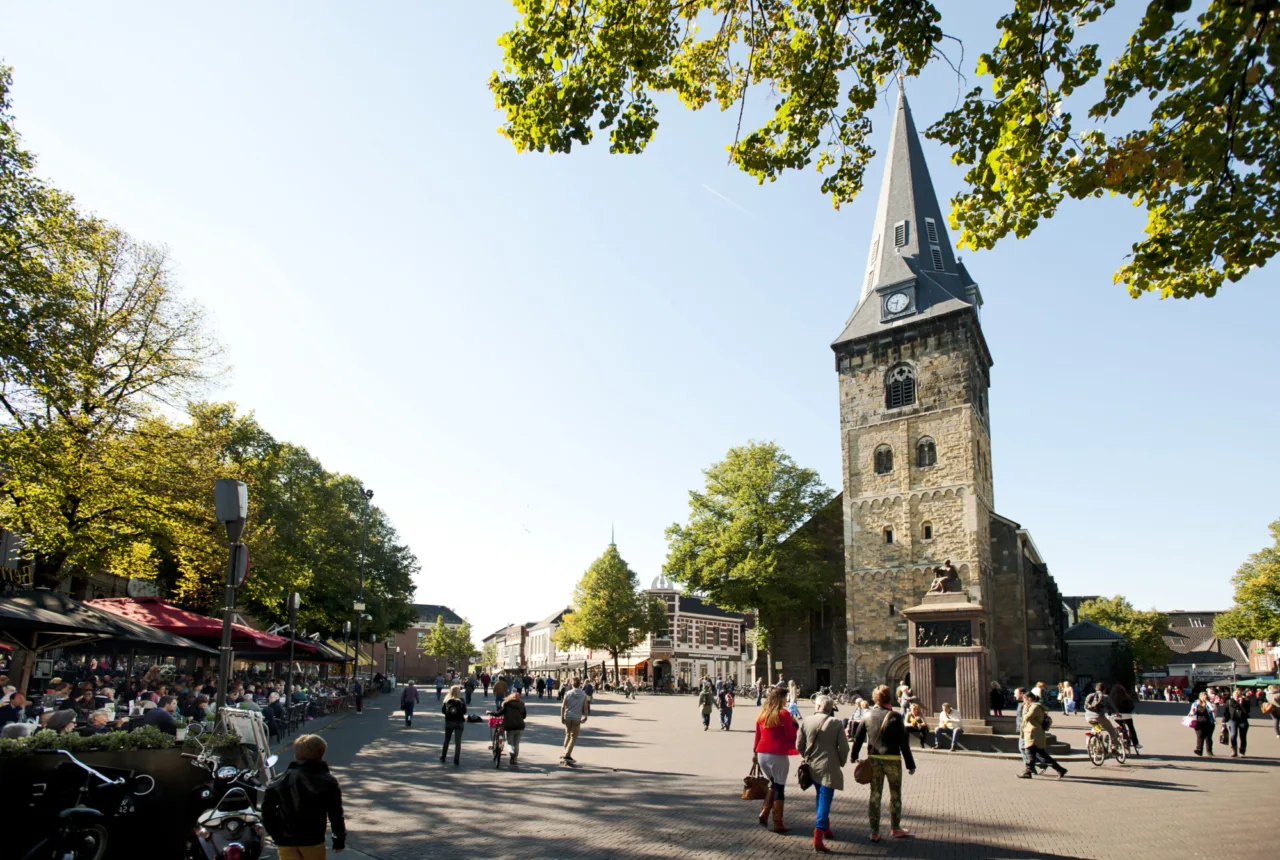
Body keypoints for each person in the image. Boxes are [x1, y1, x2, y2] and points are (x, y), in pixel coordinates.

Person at [263, 734, 346, 858]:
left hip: (286, 840)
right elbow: (335, 814)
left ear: (296, 754)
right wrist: (338, 839)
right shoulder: (327, 781)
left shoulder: (279, 780)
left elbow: (267, 812)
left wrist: (276, 835)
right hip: (312, 839)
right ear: (321, 754)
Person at [850, 684, 915, 842]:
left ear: (874, 698)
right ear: (889, 697)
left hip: (875, 760)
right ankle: (895, 827)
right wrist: (910, 764)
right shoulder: (896, 716)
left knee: (875, 795)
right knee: (895, 795)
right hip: (893, 760)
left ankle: (874, 831)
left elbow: (857, 739)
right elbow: (904, 744)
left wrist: (853, 756)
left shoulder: (867, 715)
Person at [797, 694, 849, 853]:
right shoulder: (836, 723)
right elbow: (844, 747)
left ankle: (826, 828)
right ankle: (818, 834)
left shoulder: (806, 720)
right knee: (825, 799)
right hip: (829, 766)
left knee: (820, 796)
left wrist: (806, 756)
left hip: (812, 765)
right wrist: (841, 761)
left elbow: (799, 744)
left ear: (818, 707)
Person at [753, 686, 799, 834]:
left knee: (773, 783)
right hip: (777, 754)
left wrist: (754, 754)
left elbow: (757, 737)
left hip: (762, 754)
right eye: (785, 698)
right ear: (780, 699)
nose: (786, 700)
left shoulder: (762, 714)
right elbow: (791, 736)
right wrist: (795, 724)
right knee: (779, 787)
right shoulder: (783, 714)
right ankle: (777, 822)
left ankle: (764, 813)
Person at [1019, 690, 1067, 778]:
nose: (1023, 702)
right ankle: (1060, 769)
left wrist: (1025, 708)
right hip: (1032, 733)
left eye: (1024, 699)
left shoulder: (1034, 707)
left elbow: (1026, 718)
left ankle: (1028, 771)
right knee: (1040, 755)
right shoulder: (1033, 706)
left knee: (1030, 752)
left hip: (1033, 734)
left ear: (1029, 699)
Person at [1083, 682, 1121, 754]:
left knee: (1095, 728)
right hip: (1099, 717)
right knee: (1112, 731)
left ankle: (1093, 745)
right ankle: (1114, 748)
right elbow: (1112, 707)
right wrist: (1117, 713)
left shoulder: (1089, 696)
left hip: (1088, 717)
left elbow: (1085, 706)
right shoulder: (1106, 697)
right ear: (1104, 689)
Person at [560, 677, 590, 766]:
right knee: (573, 737)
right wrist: (585, 716)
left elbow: (563, 706)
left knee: (568, 735)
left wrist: (562, 716)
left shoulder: (568, 693)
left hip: (568, 717)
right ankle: (567, 754)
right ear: (579, 684)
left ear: (572, 684)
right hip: (577, 717)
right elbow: (585, 707)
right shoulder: (583, 695)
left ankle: (566, 753)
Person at [498, 689, 527, 766]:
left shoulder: (506, 704)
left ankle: (511, 752)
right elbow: (524, 716)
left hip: (510, 726)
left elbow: (500, 713)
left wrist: (491, 713)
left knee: (510, 743)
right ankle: (515, 759)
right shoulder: (522, 704)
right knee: (516, 744)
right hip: (520, 726)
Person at [440, 685, 467, 766]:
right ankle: (456, 760)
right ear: (459, 692)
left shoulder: (447, 700)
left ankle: (443, 757)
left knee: (447, 740)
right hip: (459, 723)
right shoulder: (461, 700)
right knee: (458, 742)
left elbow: (443, 711)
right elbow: (464, 711)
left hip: (449, 722)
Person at [1110, 684, 1141, 751]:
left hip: (1116, 717)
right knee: (1131, 728)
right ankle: (1136, 743)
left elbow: (1109, 708)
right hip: (1126, 716)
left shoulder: (1111, 699)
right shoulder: (1126, 697)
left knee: (1119, 727)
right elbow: (1131, 707)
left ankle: (1122, 736)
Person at [1223, 688, 1250, 758]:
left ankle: (1242, 752)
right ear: (1233, 695)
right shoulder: (1229, 702)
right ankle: (1234, 751)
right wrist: (1224, 721)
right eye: (1235, 696)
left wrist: (1241, 704)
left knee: (1243, 737)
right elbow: (1226, 712)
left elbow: (1247, 711)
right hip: (1233, 720)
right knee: (1233, 735)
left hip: (1243, 720)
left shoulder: (1245, 702)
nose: (1237, 697)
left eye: (1238, 696)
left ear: (1241, 696)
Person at [1189, 690, 1215, 756]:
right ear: (1200, 697)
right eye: (1203, 697)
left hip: (1209, 723)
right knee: (1200, 736)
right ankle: (1199, 750)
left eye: (1205, 697)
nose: (1204, 698)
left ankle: (1209, 751)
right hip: (1198, 723)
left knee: (1208, 737)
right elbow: (1191, 712)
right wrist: (1192, 712)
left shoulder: (1209, 703)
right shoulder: (1195, 704)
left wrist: (1209, 704)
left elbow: (1213, 710)